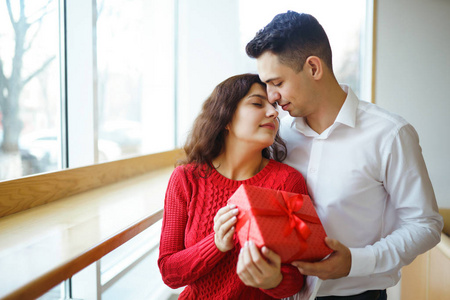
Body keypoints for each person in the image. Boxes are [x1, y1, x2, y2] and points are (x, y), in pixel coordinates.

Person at [245, 11, 444, 299]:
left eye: (277, 82)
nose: (271, 96)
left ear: (313, 68)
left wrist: (356, 261)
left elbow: (425, 225)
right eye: (267, 85)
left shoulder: (390, 134)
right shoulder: (278, 135)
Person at [158, 74, 308, 299]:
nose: (274, 112)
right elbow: (170, 273)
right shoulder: (186, 178)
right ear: (226, 117)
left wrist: (274, 279)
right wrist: (215, 244)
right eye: (258, 103)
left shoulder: (288, 182)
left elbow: (297, 278)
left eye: (274, 106)